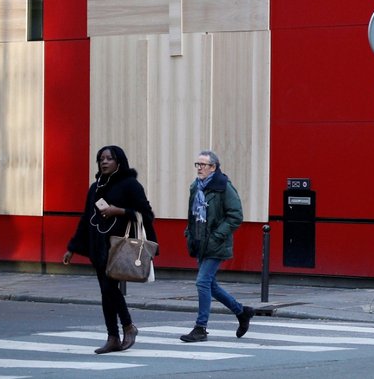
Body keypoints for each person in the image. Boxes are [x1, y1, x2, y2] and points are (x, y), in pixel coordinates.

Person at [63, 145, 157, 354]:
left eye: (109, 158)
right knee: (107, 292)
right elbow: (86, 219)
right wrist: (72, 248)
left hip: (119, 247)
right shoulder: (95, 187)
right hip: (99, 247)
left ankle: (125, 328)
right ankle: (115, 336)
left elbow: (146, 214)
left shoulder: (130, 185)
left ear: (118, 162)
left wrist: (119, 211)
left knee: (109, 290)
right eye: (101, 159)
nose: (104, 162)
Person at [180, 150, 255, 342]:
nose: (199, 168)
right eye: (197, 165)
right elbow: (193, 214)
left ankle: (201, 327)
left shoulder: (223, 187)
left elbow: (236, 216)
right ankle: (241, 312)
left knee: (202, 282)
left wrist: (216, 236)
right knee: (210, 285)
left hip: (216, 244)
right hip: (199, 242)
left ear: (213, 167)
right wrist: (189, 232)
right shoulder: (195, 187)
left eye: (203, 165)